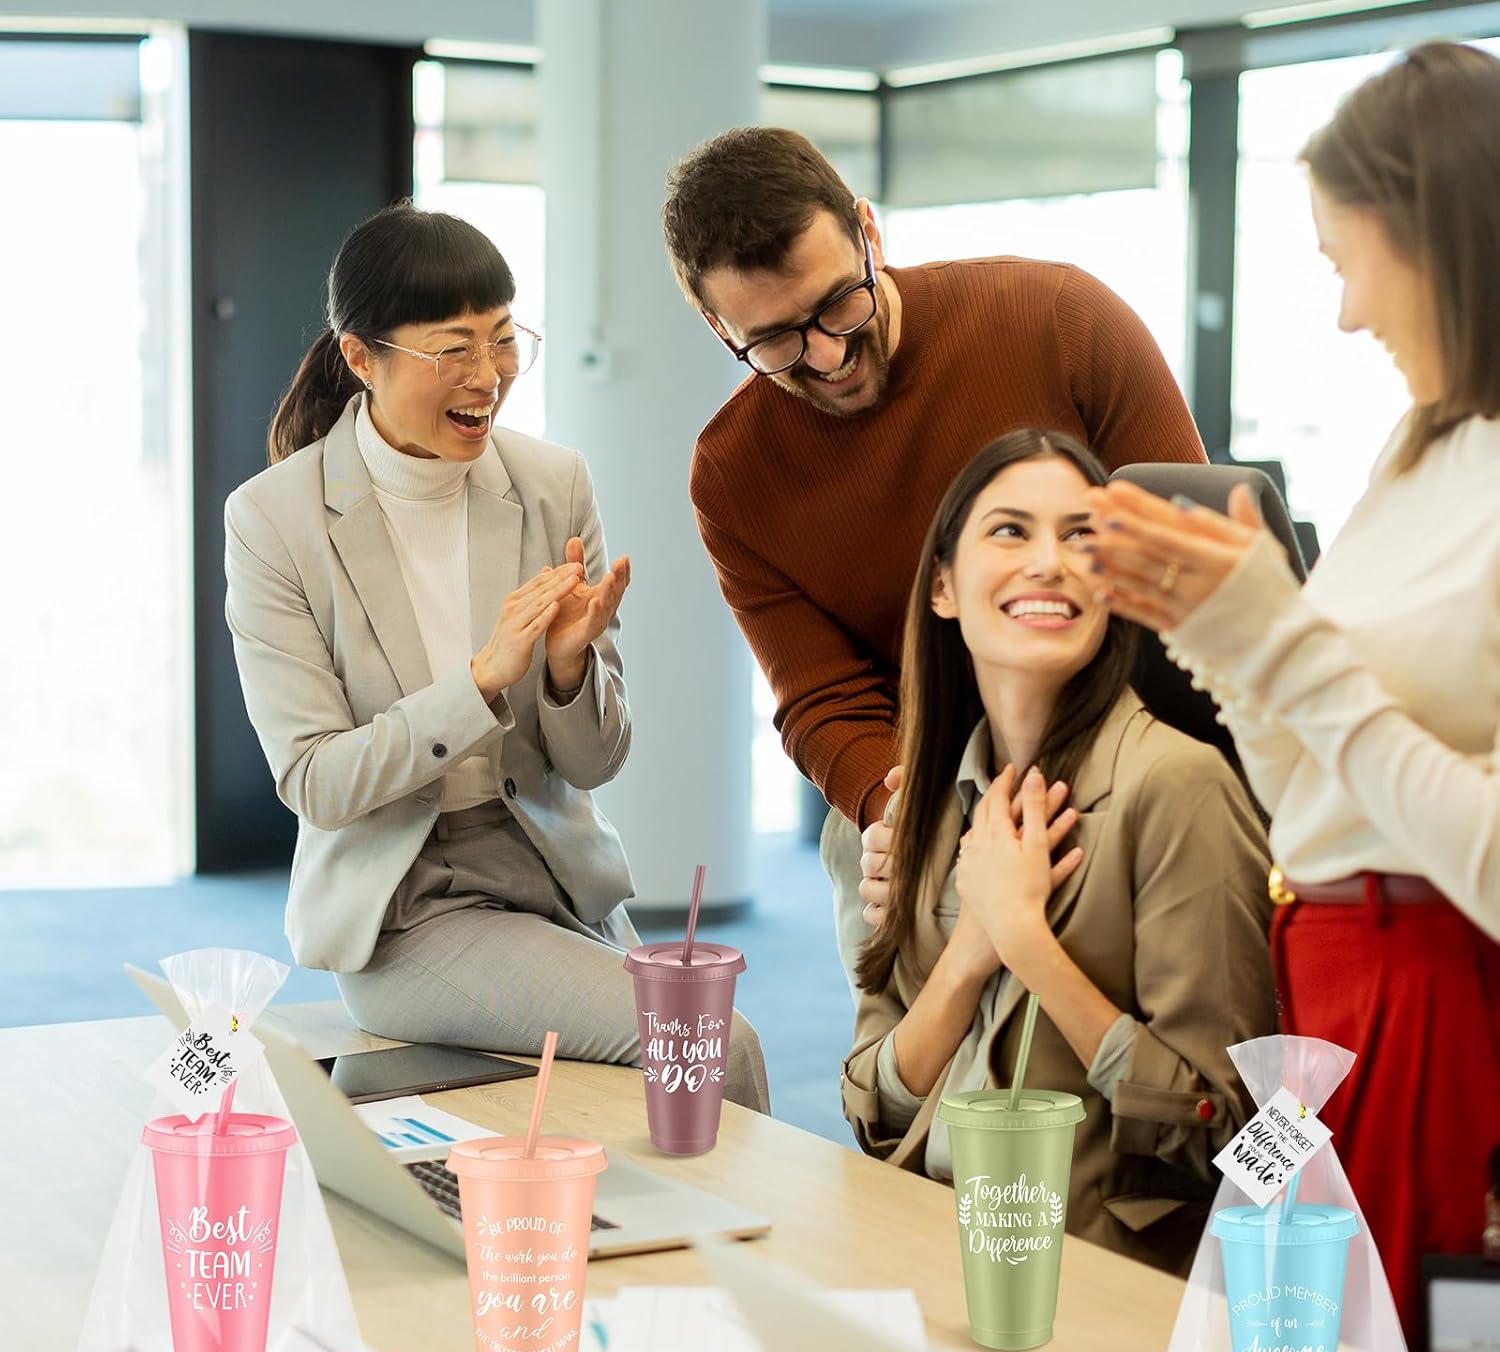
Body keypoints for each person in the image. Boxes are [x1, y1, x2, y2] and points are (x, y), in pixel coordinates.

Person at [1085, 42, 1500, 1349]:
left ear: (1439, 229)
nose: (1345, 314)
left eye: (1344, 259)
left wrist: (1287, 651)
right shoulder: (1424, 439)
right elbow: (1321, 788)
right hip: (1320, 975)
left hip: (1432, 989)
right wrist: (1227, 645)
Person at [225, 203, 769, 1112]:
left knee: (679, 1056)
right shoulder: (274, 520)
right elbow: (316, 781)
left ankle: (697, 1247)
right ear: (361, 358)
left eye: (505, 340)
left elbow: (597, 760)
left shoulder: (552, 483)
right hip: (409, 908)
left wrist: (565, 670)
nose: (490, 376)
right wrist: (479, 683)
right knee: (707, 1038)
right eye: (454, 350)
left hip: (558, 883)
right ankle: (758, 1254)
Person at [660, 126, 1208, 996]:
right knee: (906, 1076)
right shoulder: (733, 472)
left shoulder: (1061, 319)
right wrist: (907, 815)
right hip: (923, 774)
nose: (830, 358)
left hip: (1122, 739)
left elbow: (1190, 577)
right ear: (715, 323)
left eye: (841, 304)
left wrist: (1106, 784)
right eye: (774, 343)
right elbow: (822, 699)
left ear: (870, 233)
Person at [842, 429, 1277, 1274]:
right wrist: (970, 955)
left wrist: (1030, 948)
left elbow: (1245, 1141)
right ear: (942, 586)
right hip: (925, 1245)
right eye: (1011, 531)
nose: (1050, 562)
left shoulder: (1178, 789)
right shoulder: (925, 804)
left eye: (1083, 537)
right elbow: (873, 1106)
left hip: (1096, 1278)